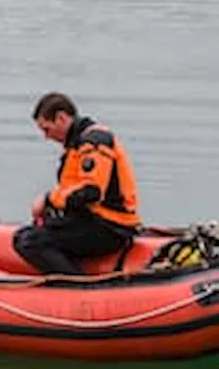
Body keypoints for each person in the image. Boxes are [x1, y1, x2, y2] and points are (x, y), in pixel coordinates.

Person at [12, 92, 142, 276]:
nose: (46, 137)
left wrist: (49, 199)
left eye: (47, 129)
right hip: (93, 221)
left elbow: (91, 192)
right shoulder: (77, 145)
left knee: (30, 242)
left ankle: (76, 285)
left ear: (61, 118)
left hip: (111, 227)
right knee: (23, 236)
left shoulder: (95, 142)